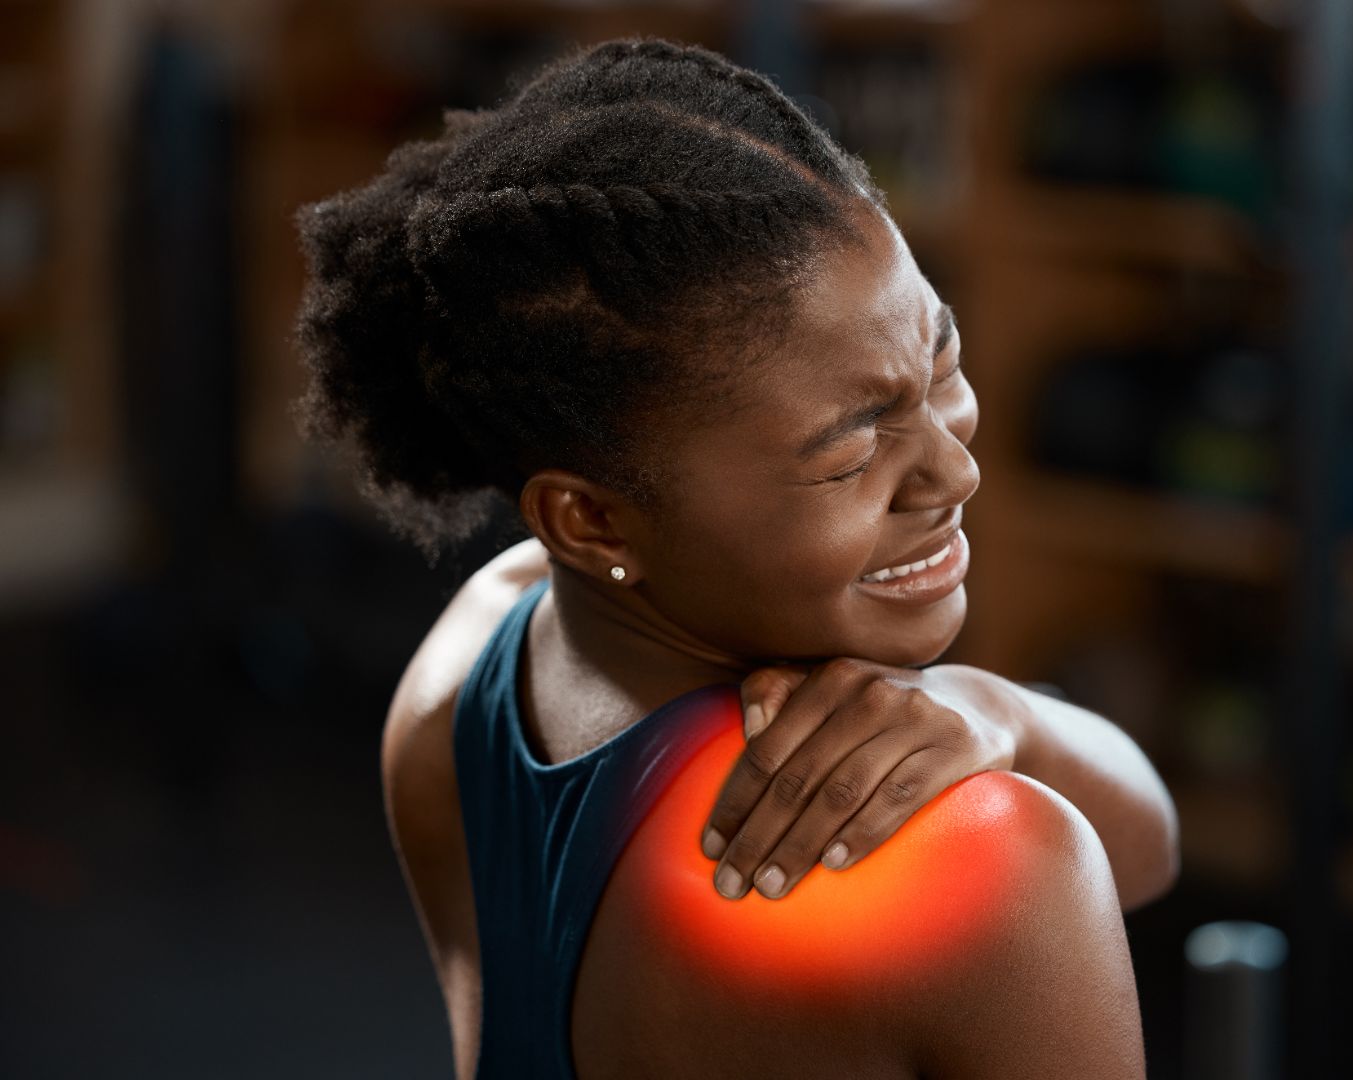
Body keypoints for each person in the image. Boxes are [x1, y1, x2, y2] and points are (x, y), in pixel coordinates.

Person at [293, 35, 1179, 1079]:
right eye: (850, 444)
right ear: (592, 521)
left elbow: (1145, 839)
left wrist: (1000, 709)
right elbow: (1143, 853)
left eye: (939, 359)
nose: (951, 470)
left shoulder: (461, 675)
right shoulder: (979, 859)